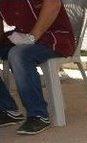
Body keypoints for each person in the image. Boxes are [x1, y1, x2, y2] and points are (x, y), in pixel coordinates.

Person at [0, 0, 76, 135]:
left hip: (54, 37)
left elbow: (53, 4)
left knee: (18, 54)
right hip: (24, 36)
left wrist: (31, 38)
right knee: (17, 51)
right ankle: (8, 109)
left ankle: (38, 115)